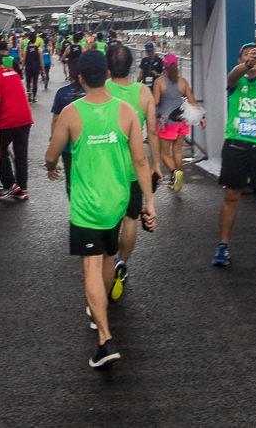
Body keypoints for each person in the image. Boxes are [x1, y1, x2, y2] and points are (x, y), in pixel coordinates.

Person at [44, 49, 156, 369]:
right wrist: (149, 202)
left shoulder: (70, 112)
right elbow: (140, 160)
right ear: (107, 74)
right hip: (117, 202)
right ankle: (98, 310)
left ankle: (105, 337)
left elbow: (52, 152)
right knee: (109, 257)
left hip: (86, 206)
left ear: (79, 77)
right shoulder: (126, 112)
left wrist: (50, 166)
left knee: (90, 267)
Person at [212, 43, 256, 269]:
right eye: (247, 55)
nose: (253, 58)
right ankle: (223, 246)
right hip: (236, 145)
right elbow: (232, 76)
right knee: (231, 196)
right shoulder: (236, 79)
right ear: (241, 58)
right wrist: (247, 64)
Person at [105, 45, 162, 293]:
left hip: (105, 169)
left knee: (107, 222)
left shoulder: (101, 89)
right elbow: (152, 131)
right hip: (133, 171)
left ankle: (104, 264)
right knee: (131, 219)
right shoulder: (144, 92)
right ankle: (121, 263)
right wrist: (157, 164)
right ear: (132, 66)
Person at [0, 50, 33, 200]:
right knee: (21, 154)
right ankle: (22, 189)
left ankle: (10, 185)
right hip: (25, 118)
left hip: (9, 120)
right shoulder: (12, 72)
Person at [153, 54, 204, 192]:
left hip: (167, 122)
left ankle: (175, 173)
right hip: (182, 121)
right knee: (177, 151)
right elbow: (192, 100)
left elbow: (156, 102)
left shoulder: (159, 82)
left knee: (164, 153)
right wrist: (201, 117)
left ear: (164, 66)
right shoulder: (183, 81)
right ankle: (176, 179)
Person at [50, 59, 85, 195]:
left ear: (70, 73)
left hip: (67, 146)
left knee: (71, 181)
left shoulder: (62, 93)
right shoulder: (89, 92)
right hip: (86, 143)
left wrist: (54, 143)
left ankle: (75, 209)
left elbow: (56, 120)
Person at [23, 32, 43, 103]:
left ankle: (29, 95)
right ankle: (34, 97)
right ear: (35, 40)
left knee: (28, 81)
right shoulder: (38, 49)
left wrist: (22, 67)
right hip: (36, 67)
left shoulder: (26, 49)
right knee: (35, 82)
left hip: (28, 67)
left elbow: (24, 59)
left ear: (29, 40)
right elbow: (41, 60)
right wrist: (42, 70)